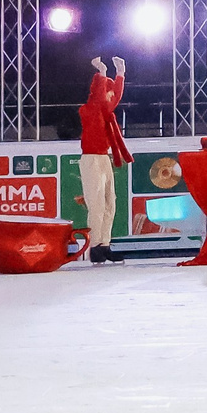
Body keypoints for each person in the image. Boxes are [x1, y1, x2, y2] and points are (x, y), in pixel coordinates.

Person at [77, 55, 131, 264]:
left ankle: (104, 244)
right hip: (91, 159)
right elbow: (102, 97)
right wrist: (103, 73)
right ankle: (95, 246)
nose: (111, 97)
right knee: (96, 204)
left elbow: (113, 97)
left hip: (103, 158)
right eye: (107, 92)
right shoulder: (89, 110)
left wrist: (120, 74)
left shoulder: (107, 113)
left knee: (110, 203)